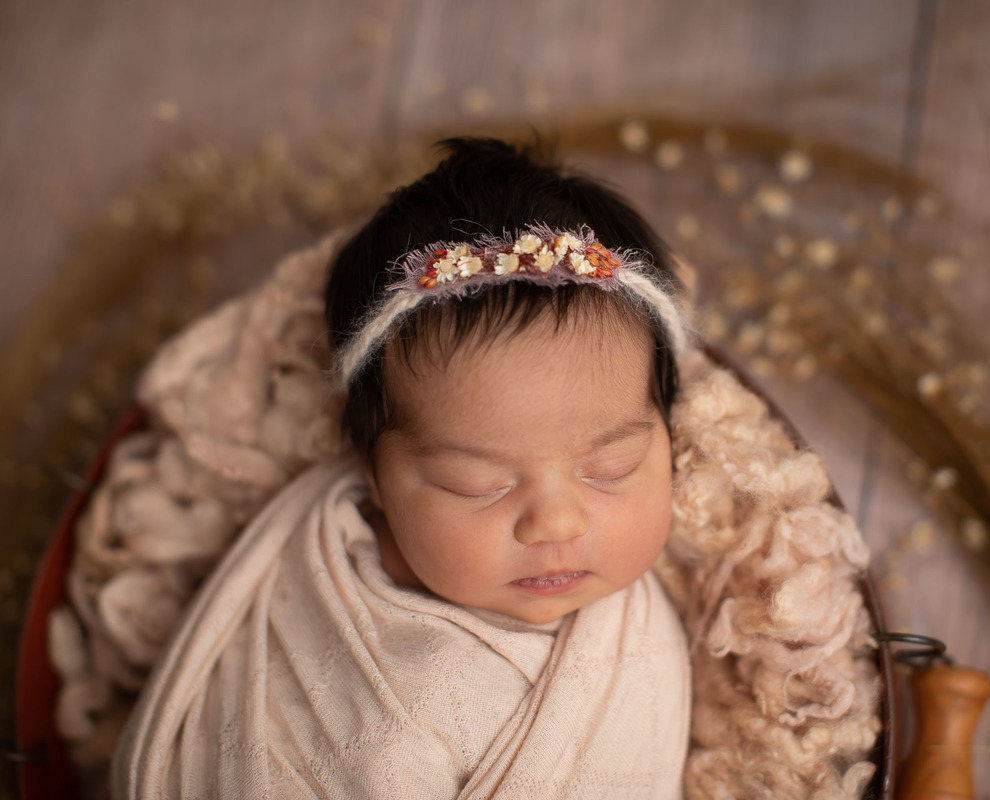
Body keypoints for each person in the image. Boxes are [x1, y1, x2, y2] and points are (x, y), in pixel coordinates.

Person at [113, 138, 694, 799]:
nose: (556, 520)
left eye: (612, 467)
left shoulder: (637, 645)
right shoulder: (311, 562)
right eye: (476, 483)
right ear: (376, 476)